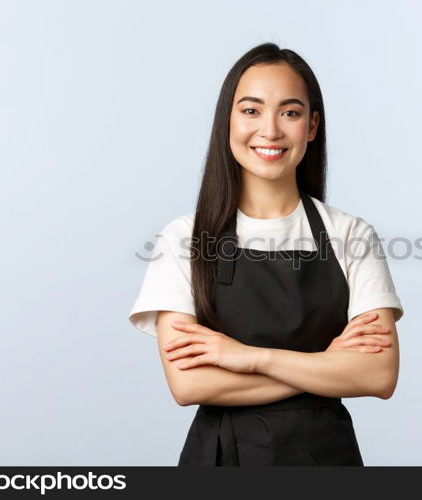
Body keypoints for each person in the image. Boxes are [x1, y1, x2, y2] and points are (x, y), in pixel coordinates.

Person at [128, 42, 404, 466]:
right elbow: (189, 384)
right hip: (222, 459)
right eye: (251, 110)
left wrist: (250, 358)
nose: (270, 130)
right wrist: (325, 366)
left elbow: (379, 375)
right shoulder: (183, 237)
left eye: (290, 113)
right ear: (228, 121)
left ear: (312, 126)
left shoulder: (351, 234)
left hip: (326, 459)